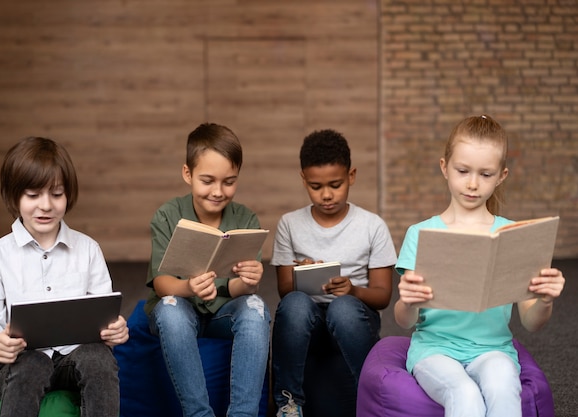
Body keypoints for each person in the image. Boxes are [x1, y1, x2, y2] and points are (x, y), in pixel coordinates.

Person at [394, 114, 566, 417]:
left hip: (493, 350)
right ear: (444, 167)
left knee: (502, 386)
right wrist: (408, 301)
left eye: (486, 174)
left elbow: (531, 322)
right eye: (463, 171)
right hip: (434, 351)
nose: (473, 184)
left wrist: (545, 300)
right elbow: (404, 321)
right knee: (465, 394)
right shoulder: (420, 233)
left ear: (502, 175)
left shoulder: (514, 235)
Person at [0, 136, 129, 417]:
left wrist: (114, 330)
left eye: (56, 194)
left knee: (100, 359)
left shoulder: (88, 249)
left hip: (72, 356)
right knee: (31, 363)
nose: (45, 205)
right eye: (33, 195)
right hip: (17, 363)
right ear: (14, 196)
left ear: (68, 195)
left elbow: (102, 314)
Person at [144, 122, 271, 417]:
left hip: (224, 311)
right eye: (207, 180)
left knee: (256, 307)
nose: (218, 191)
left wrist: (249, 283)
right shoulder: (167, 215)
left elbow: (238, 289)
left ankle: (243, 413)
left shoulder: (246, 219)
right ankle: (199, 413)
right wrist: (188, 287)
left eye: (229, 181)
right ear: (187, 174)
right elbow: (162, 282)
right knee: (171, 309)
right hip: (180, 304)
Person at [270, 129, 397, 417]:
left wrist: (353, 291)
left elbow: (383, 295)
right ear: (303, 179)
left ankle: (370, 398)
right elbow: (284, 290)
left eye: (336, 185)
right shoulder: (289, 224)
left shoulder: (372, 226)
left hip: (354, 319)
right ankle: (289, 405)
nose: (326, 195)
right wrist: (302, 275)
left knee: (343, 308)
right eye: (315, 186)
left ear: (351, 176)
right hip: (308, 322)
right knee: (295, 304)